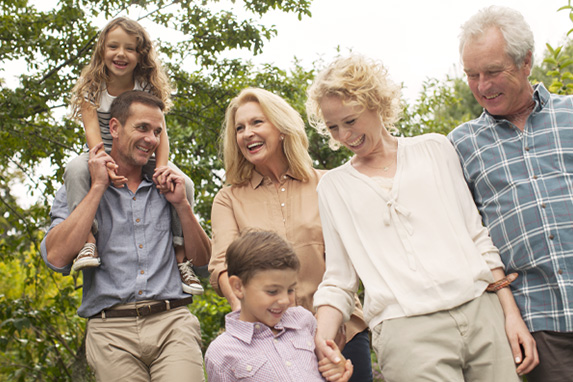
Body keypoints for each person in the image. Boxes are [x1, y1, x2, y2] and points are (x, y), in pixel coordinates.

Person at [305, 54, 539, 381]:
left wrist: (509, 313)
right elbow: (339, 280)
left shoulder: (435, 149)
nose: (344, 136)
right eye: (333, 127)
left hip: (481, 312)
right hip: (406, 332)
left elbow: (477, 236)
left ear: (376, 104)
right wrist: (323, 337)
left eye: (351, 120)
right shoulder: (334, 187)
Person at [40, 91, 211, 381]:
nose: (151, 139)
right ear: (115, 128)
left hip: (172, 322)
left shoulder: (170, 186)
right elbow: (56, 258)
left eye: (157, 131)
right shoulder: (81, 183)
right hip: (110, 331)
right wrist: (97, 189)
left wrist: (182, 206)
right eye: (142, 128)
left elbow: (203, 266)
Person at [208, 87, 373, 381]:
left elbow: (355, 260)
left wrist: (332, 328)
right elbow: (223, 266)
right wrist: (248, 318)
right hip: (268, 340)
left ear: (282, 128)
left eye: (257, 123)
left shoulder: (329, 184)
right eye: (240, 128)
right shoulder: (228, 198)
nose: (247, 133)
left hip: (342, 333)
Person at [448, 6, 573, 381]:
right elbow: (466, 237)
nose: (482, 85)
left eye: (493, 72)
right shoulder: (460, 145)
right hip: (537, 324)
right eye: (472, 75)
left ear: (526, 62)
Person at [67, 17, 203, 294]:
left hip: (144, 152)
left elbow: (160, 134)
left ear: (141, 55)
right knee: (76, 169)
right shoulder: (92, 87)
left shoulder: (146, 86)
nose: (120, 54)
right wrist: (104, 164)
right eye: (113, 46)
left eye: (130, 48)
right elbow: (93, 135)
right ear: (102, 50)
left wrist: (161, 168)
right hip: (104, 150)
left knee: (183, 183)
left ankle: (180, 257)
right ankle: (87, 240)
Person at [205, 230, 353, 382]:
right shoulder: (221, 353)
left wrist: (336, 368)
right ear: (238, 287)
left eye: (290, 290)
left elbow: (325, 369)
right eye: (272, 291)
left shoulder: (304, 321)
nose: (284, 300)